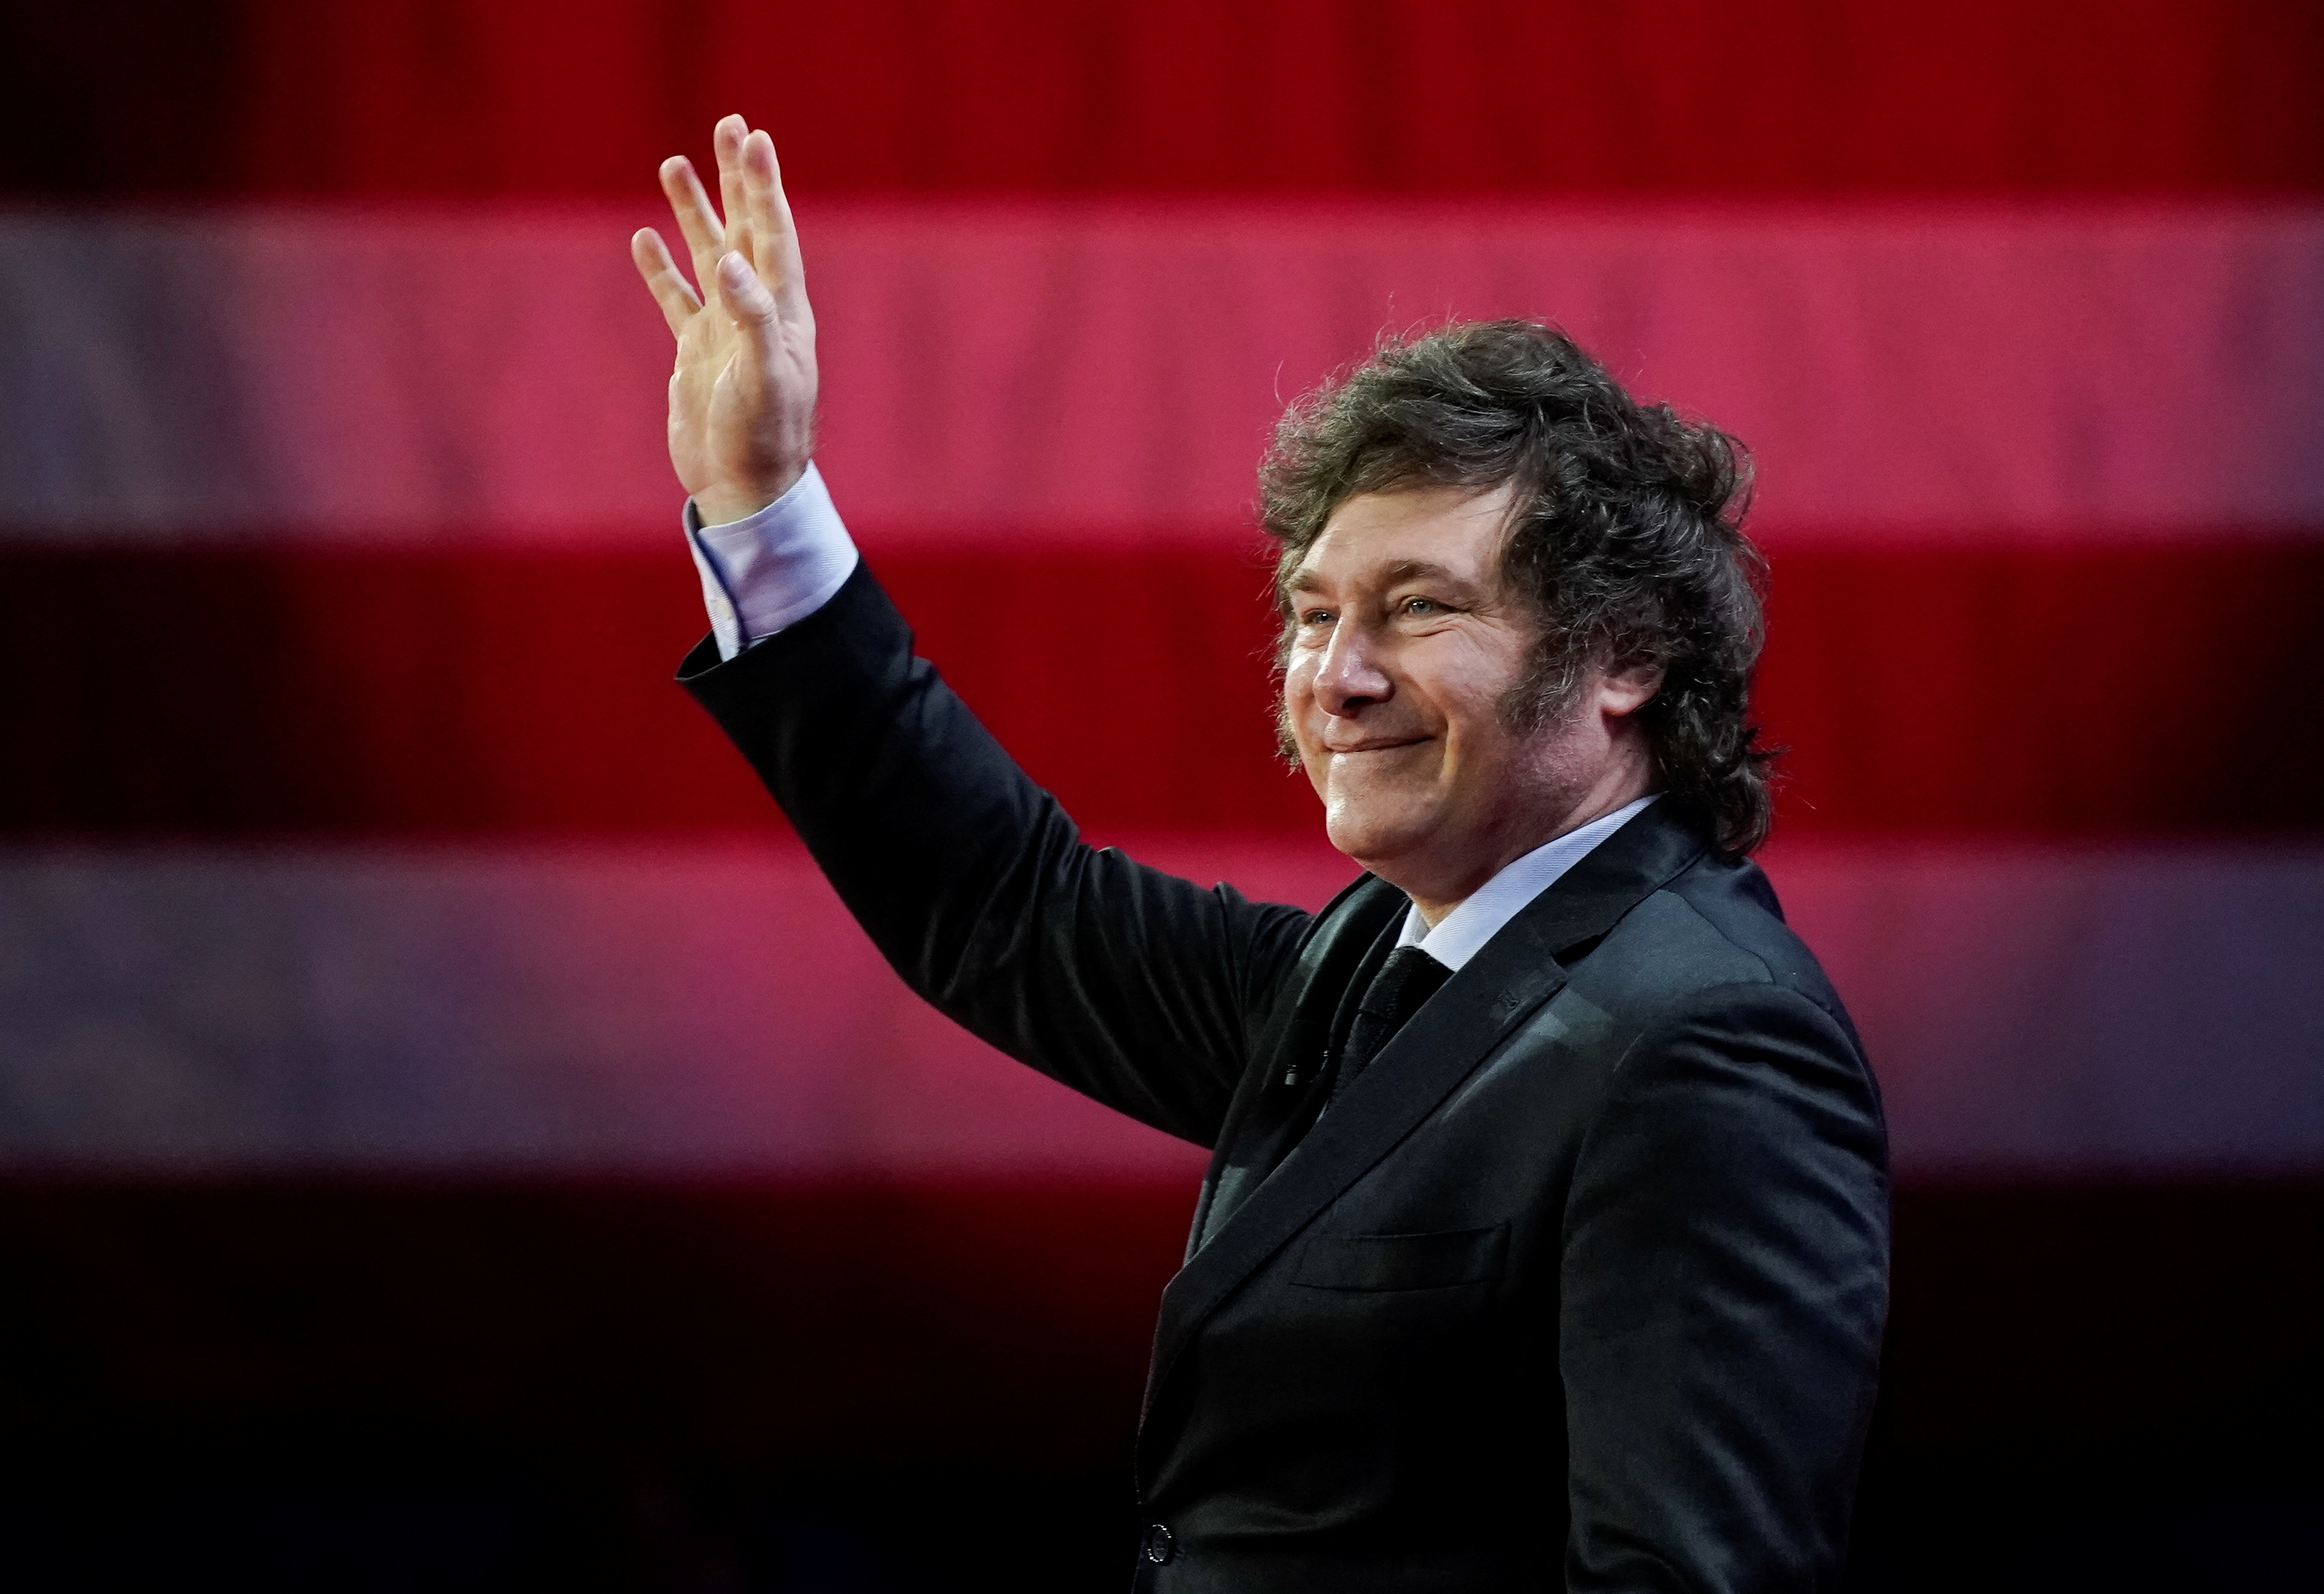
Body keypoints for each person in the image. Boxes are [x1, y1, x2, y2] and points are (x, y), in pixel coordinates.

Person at [631, 116, 1890, 1593]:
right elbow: (1002, 905)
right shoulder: (1382, 954)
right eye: (1311, 613)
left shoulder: (1703, 1043)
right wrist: (761, 506)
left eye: (1417, 608)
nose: (1335, 676)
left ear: (1622, 657)